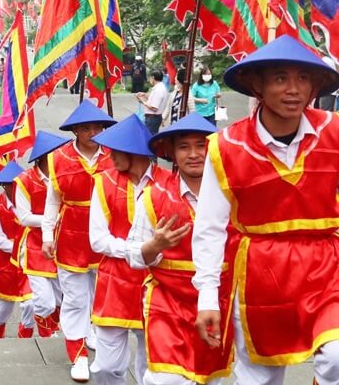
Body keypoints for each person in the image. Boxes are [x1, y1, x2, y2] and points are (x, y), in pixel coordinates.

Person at [193, 36, 339, 384]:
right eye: (280, 78)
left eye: (303, 78)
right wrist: (207, 297)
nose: (294, 90)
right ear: (257, 85)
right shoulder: (225, 147)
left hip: (325, 266)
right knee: (261, 377)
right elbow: (210, 228)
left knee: (336, 357)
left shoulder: (334, 131)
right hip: (262, 274)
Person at [127, 113, 232, 384]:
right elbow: (134, 256)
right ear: (172, 153)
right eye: (184, 147)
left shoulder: (234, 194)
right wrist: (154, 246)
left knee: (211, 378)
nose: (194, 154)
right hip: (168, 303)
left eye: (202, 145)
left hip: (219, 303)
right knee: (165, 379)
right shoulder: (153, 196)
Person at [88, 114, 171, 384]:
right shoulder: (103, 181)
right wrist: (137, 250)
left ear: (133, 151)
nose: (109, 156)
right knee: (105, 366)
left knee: (153, 365)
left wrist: (151, 251)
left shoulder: (168, 183)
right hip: (115, 281)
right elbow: (98, 240)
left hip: (157, 283)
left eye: (115, 150)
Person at [41, 101, 116, 382]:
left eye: (98, 127)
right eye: (86, 128)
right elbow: (52, 201)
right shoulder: (59, 158)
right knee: (74, 297)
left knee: (101, 292)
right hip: (71, 232)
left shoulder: (114, 155)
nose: (93, 132)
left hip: (107, 232)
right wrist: (47, 235)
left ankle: (93, 329)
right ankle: (78, 353)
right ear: (75, 131)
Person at [14, 131, 69, 338]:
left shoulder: (64, 177)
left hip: (62, 245)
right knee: (44, 303)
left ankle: (51, 332)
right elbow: (25, 218)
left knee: (58, 300)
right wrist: (53, 220)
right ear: (46, 156)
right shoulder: (24, 180)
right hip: (36, 248)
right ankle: (43, 334)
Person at [0, 161, 35, 339]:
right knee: (1, 309)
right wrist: (22, 247)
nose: (16, 188)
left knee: (31, 304)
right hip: (6, 263)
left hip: (29, 260)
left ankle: (25, 339)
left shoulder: (31, 201)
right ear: (4, 186)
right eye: (11, 184)